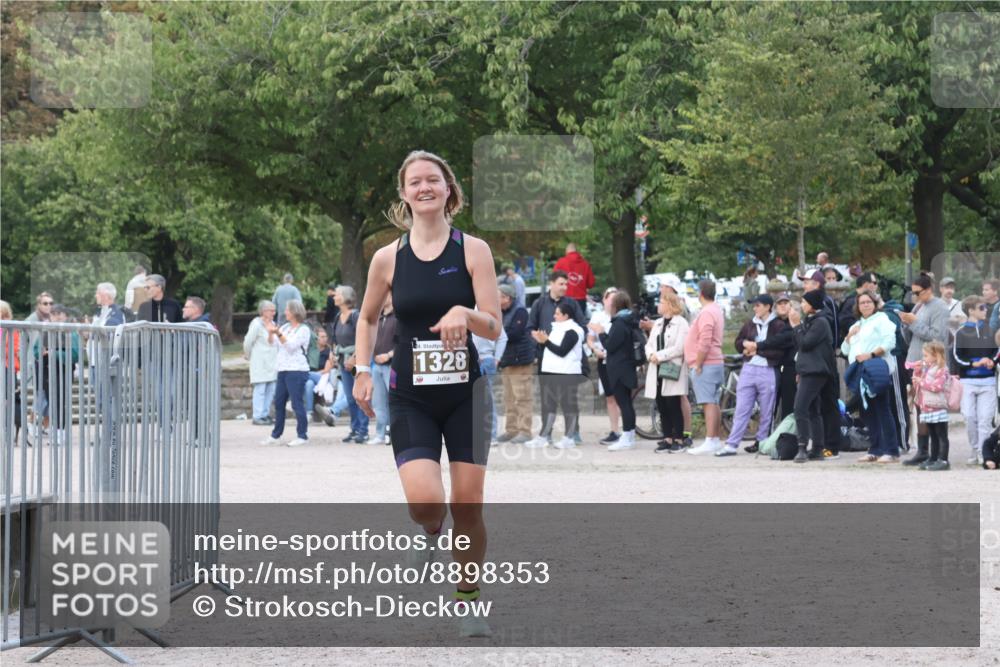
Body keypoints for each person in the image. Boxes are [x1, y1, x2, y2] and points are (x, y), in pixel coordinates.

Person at [352, 150, 499, 637]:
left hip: (466, 396)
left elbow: (494, 326)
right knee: (426, 504)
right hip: (412, 396)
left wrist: (465, 313)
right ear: (404, 193)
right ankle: (431, 530)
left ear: (448, 188)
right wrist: (363, 369)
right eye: (414, 182)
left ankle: (468, 600)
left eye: (432, 180)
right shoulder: (386, 258)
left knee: (468, 506)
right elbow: (369, 317)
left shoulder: (473, 250)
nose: (424, 187)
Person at [718, 295, 786, 456]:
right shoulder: (750, 324)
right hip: (748, 368)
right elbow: (738, 341)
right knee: (741, 408)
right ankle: (732, 444)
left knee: (767, 409)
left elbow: (779, 349)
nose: (755, 308)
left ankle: (762, 441)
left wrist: (757, 349)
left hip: (768, 370)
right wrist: (744, 345)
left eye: (758, 305)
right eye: (754, 305)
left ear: (768, 307)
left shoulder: (779, 325)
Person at [842, 290, 900, 463]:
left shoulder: (882, 319)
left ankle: (891, 450)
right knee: (867, 412)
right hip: (859, 372)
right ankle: (875, 448)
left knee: (883, 409)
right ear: (857, 307)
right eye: (862, 303)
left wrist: (871, 355)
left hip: (876, 368)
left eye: (868, 302)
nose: (865, 305)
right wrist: (849, 336)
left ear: (874, 304)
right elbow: (845, 350)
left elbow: (890, 342)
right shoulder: (856, 325)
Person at [898, 273, 950, 466]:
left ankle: (935, 453)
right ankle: (922, 450)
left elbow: (937, 338)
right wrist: (905, 324)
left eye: (918, 293)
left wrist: (914, 322)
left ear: (929, 289)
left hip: (931, 365)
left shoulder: (940, 308)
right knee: (919, 408)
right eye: (913, 293)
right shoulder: (919, 306)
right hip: (915, 361)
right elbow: (911, 338)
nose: (915, 297)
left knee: (930, 407)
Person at [526, 303, 585, 448]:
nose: (554, 315)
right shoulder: (556, 328)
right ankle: (543, 436)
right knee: (548, 405)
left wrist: (545, 341)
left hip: (567, 373)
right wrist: (542, 342)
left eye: (558, 313)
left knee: (568, 405)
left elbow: (562, 351)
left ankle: (569, 437)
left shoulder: (573, 330)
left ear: (566, 316)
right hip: (550, 371)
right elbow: (550, 349)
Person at [790, 290, 837, 463]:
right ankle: (817, 448)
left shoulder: (821, 322)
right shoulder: (811, 321)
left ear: (812, 304)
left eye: (804, 302)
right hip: (808, 370)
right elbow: (799, 346)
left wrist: (796, 326)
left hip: (816, 371)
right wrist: (800, 370)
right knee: (812, 410)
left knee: (800, 407)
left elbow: (805, 343)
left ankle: (802, 446)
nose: (801, 305)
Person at [952, 295, 998, 465]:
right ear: (971, 310)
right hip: (968, 383)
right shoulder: (961, 332)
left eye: (985, 307)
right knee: (969, 417)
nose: (985, 310)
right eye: (981, 308)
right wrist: (974, 363)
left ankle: (982, 453)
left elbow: (997, 351)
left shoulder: (991, 331)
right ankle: (974, 448)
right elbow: (957, 357)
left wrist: (992, 361)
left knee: (985, 419)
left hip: (988, 382)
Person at [260, 299, 311, 448]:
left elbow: (290, 346)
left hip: (297, 370)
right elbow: (273, 343)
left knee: (296, 403)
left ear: (295, 312)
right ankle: (276, 434)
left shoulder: (303, 329)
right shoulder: (285, 327)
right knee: (279, 403)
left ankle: (302, 435)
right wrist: (271, 333)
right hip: (282, 369)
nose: (285, 312)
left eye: (288, 309)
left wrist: (277, 332)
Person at [644, 291, 689, 453]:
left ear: (670, 304)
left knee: (673, 404)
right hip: (656, 367)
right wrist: (650, 354)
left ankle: (679, 438)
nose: (658, 305)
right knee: (661, 404)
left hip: (671, 367)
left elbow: (679, 348)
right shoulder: (657, 323)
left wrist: (660, 356)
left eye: (661, 302)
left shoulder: (681, 323)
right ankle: (667, 437)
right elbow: (649, 344)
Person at [685, 280, 726, 455]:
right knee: (713, 402)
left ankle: (710, 440)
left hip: (706, 364)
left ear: (701, 293)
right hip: (715, 362)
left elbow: (705, 341)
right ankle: (714, 439)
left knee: (708, 403)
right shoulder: (716, 309)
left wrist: (699, 363)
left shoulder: (707, 313)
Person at [600, 290, 640, 451]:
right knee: (627, 403)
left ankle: (627, 436)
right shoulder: (629, 320)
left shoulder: (619, 323)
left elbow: (610, 345)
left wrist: (601, 333)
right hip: (627, 366)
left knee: (624, 403)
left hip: (619, 368)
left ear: (616, 305)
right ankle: (629, 435)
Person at [496, 284, 534, 444]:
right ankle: (511, 430)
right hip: (507, 361)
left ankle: (525, 431)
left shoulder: (520, 312)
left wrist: (496, 333)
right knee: (509, 398)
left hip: (520, 361)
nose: (494, 298)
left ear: (507, 298)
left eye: (497, 295)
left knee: (522, 398)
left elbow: (514, 334)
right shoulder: (500, 312)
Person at [331, 285, 369, 443]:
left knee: (360, 396)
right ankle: (354, 429)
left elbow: (364, 338)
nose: (334, 296)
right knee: (350, 397)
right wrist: (333, 354)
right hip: (342, 361)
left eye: (337, 294)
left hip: (356, 362)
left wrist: (354, 358)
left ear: (345, 297)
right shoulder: (337, 316)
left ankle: (363, 431)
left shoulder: (356, 316)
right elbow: (335, 340)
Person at [906, 342, 953, 470]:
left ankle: (943, 460)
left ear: (936, 356)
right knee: (932, 434)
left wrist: (922, 382)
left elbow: (937, 387)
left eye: (926, 356)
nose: (924, 358)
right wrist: (917, 372)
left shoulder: (942, 370)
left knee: (941, 435)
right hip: (927, 407)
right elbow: (919, 384)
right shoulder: (928, 369)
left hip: (938, 407)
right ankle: (933, 458)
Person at [588, 287, 623, 445]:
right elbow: (590, 339)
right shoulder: (598, 316)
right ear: (604, 300)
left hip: (618, 361)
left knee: (622, 396)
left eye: (615, 299)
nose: (612, 302)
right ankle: (614, 430)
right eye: (609, 298)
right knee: (610, 396)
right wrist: (595, 349)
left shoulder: (621, 317)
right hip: (603, 359)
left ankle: (626, 429)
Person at [756, 294, 798, 425]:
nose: (783, 305)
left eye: (786, 302)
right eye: (780, 303)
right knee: (769, 405)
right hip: (772, 367)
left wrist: (761, 345)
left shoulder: (795, 322)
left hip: (790, 369)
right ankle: (764, 438)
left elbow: (786, 339)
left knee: (788, 405)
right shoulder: (771, 323)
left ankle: (787, 438)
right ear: (775, 307)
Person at [473, 299, 508, 445]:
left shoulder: (482, 311)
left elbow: (502, 337)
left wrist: (497, 358)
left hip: (484, 359)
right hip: (479, 358)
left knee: (486, 399)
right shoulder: (487, 310)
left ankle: (491, 434)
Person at [243, 300, 278, 425]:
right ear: (264, 311)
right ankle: (257, 416)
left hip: (272, 362)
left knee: (270, 389)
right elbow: (248, 341)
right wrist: (248, 355)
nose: (274, 313)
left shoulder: (273, 324)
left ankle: (265, 414)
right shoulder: (256, 324)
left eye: (274, 310)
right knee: (260, 388)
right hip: (259, 361)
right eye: (271, 310)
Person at [369, 294, 398, 445]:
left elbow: (402, 341)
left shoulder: (398, 316)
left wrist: (388, 355)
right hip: (377, 366)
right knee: (378, 402)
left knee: (394, 400)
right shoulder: (379, 317)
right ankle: (380, 434)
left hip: (391, 365)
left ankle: (394, 433)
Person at [304, 328, 337, 427]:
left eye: (326, 336)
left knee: (306, 375)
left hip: (322, 376)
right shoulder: (310, 350)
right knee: (309, 384)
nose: (325, 339)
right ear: (316, 338)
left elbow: (327, 369)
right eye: (322, 337)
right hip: (311, 378)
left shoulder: (328, 351)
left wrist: (314, 373)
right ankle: (309, 412)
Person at [553, 243, 596, 314]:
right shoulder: (585, 264)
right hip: (580, 300)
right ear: (576, 251)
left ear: (566, 251)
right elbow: (591, 283)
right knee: (579, 323)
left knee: (565, 323)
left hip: (565, 299)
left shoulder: (561, 262)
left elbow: (554, 278)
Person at [838, 272, 878, 345]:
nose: (876, 286)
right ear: (866, 284)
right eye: (874, 283)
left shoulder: (855, 299)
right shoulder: (852, 301)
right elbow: (844, 322)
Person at [802, 270, 839, 346]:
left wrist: (833, 350)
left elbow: (835, 328)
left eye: (806, 283)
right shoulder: (808, 300)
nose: (803, 286)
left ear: (816, 284)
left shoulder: (827, 301)